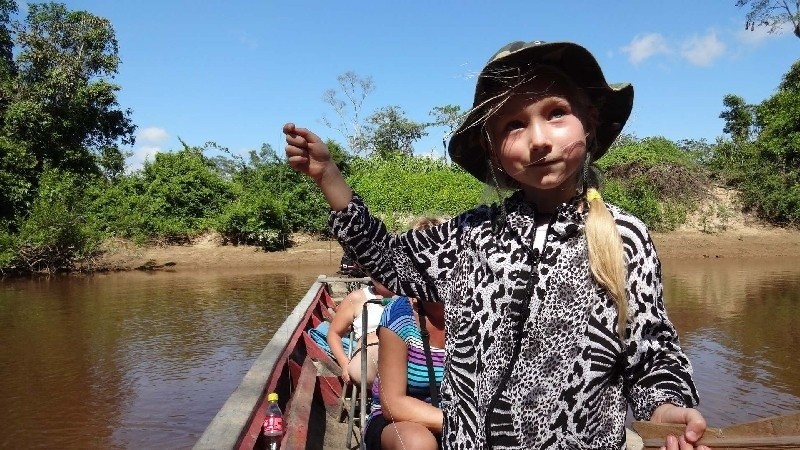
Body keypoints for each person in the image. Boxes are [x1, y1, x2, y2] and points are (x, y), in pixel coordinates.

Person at [284, 40, 708, 450]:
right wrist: (329, 177)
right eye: (514, 125)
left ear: (590, 119)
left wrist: (669, 411)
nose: (538, 140)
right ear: (492, 147)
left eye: (556, 113)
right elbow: (388, 261)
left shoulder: (624, 237)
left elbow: (652, 356)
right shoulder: (469, 235)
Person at [365, 217, 445, 450]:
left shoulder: (478, 311)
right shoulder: (400, 314)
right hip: (399, 422)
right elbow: (394, 405)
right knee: (418, 444)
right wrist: (461, 424)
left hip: (462, 416)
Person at [328, 278, 393, 388]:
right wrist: (344, 364)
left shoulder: (413, 296)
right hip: (369, 356)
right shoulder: (357, 298)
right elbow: (333, 334)